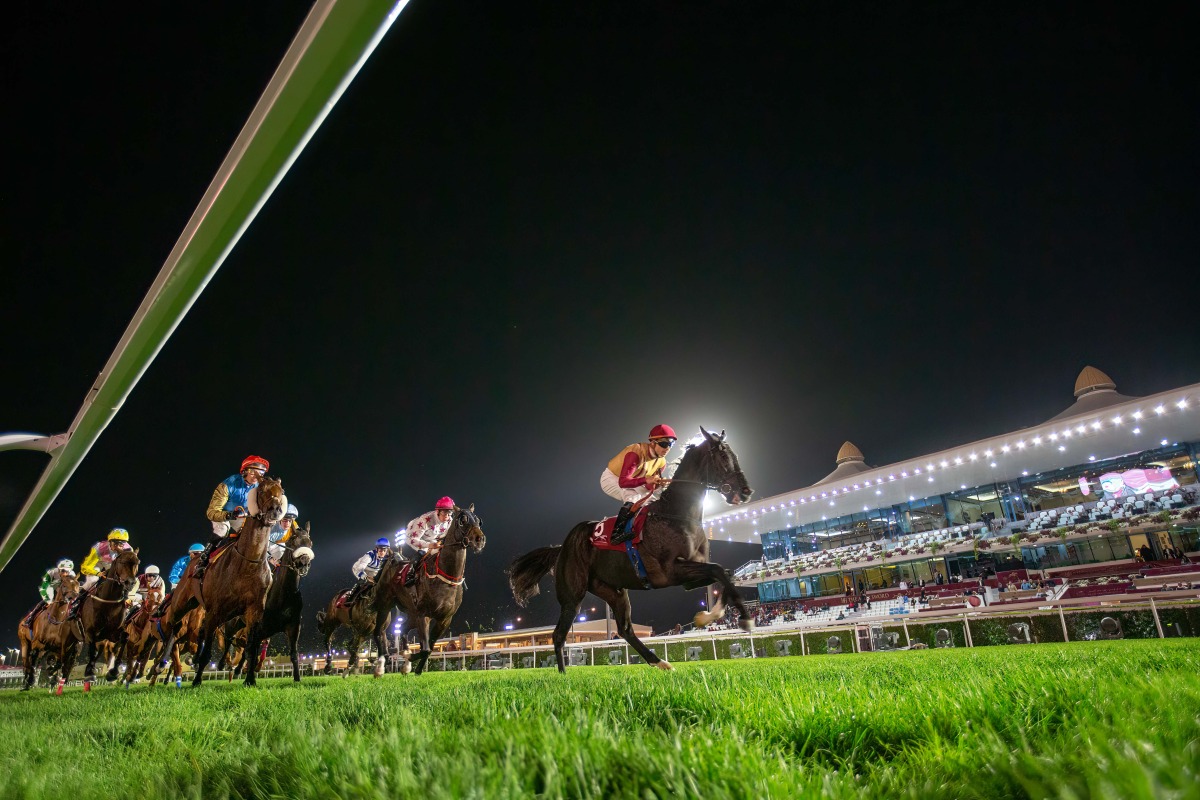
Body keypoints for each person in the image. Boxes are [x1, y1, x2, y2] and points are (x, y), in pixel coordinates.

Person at [196, 455, 269, 577]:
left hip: (241, 517)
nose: (256, 476)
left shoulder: (259, 487)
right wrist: (229, 515)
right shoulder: (228, 485)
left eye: (261, 472)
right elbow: (211, 512)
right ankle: (203, 560)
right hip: (223, 515)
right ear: (244, 471)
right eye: (252, 471)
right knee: (223, 529)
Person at [602, 424, 676, 545]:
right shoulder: (635, 452)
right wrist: (647, 480)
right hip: (612, 478)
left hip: (632, 481)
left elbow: (647, 488)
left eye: (671, 444)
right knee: (633, 496)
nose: (667, 448)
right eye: (664, 444)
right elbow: (624, 482)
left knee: (652, 500)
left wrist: (656, 485)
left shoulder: (662, 462)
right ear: (652, 443)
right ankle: (616, 534)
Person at [401, 497, 456, 586]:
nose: (447, 515)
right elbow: (413, 540)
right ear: (437, 511)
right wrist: (429, 545)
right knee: (423, 552)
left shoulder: (449, 520)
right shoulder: (425, 520)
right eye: (444, 512)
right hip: (413, 537)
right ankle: (408, 575)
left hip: (431, 539)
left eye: (450, 512)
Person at [24, 559, 75, 625]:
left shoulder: (72, 575)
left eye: (67, 571)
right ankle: (31, 617)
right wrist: (49, 601)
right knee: (48, 599)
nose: (64, 574)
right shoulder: (51, 573)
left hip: (62, 588)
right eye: (62, 571)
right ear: (59, 569)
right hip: (51, 587)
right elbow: (43, 588)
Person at [346, 537, 392, 605]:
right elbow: (360, 568)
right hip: (359, 568)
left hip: (373, 571)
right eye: (380, 550)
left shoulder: (388, 557)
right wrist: (366, 576)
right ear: (376, 549)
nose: (382, 552)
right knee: (364, 580)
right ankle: (351, 596)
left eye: (384, 550)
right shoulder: (370, 555)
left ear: (387, 550)